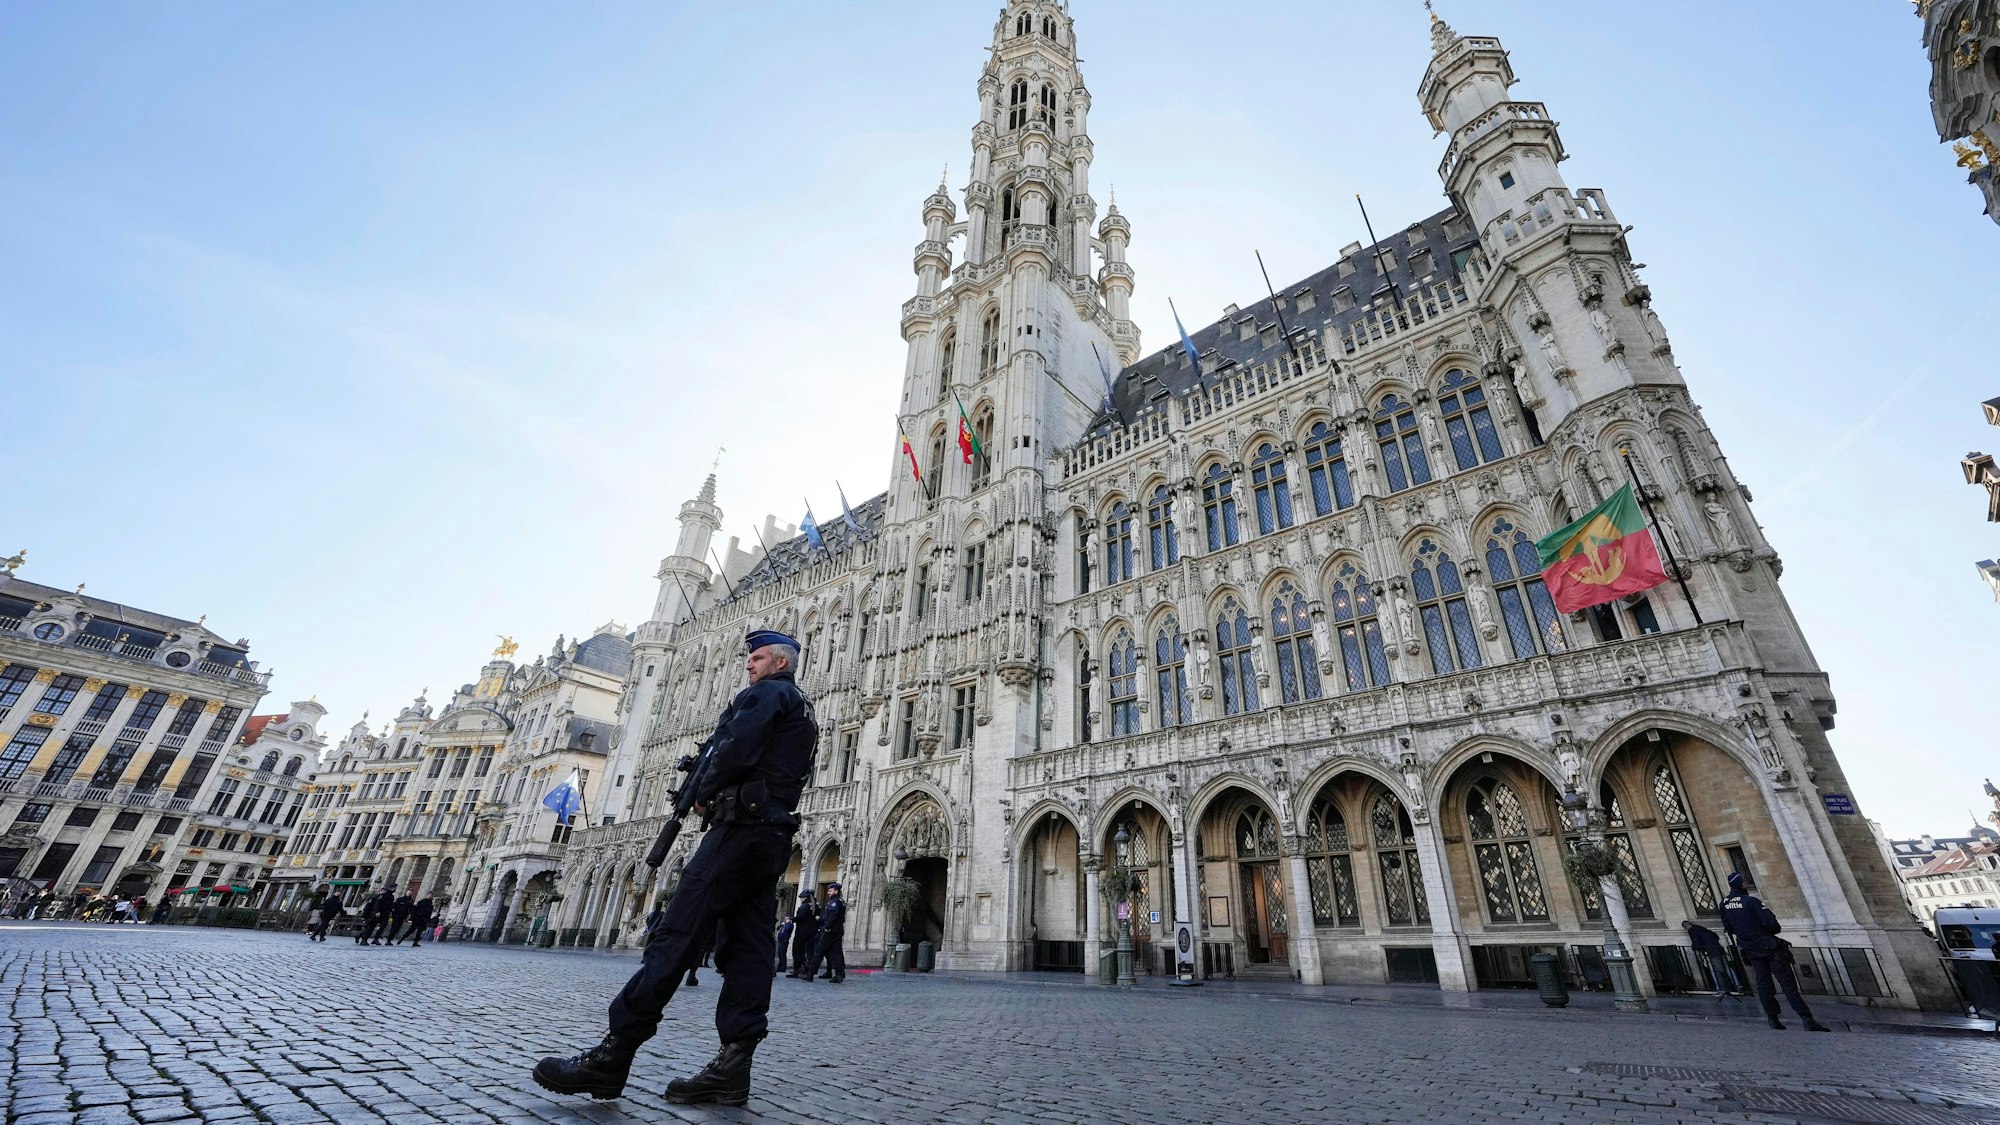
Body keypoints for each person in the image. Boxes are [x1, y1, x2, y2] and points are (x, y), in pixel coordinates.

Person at [533, 628, 817, 1107]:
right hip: (771, 836)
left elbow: (733, 749)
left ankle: (613, 1053)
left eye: (759, 657)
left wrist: (702, 793)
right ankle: (732, 1066)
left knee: (677, 934)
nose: (750, 663)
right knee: (748, 948)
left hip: (737, 833)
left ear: (781, 664)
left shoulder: (767, 695)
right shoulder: (802, 708)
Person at [1718, 871, 1829, 1031]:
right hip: (1768, 947)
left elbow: (1728, 927)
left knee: (1763, 985)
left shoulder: (1724, 904)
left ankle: (1772, 1017)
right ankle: (1806, 1018)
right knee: (1788, 984)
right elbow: (1772, 924)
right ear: (1741, 883)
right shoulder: (1750, 901)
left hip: (1750, 948)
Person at [800, 883, 846, 984]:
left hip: (830, 932)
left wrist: (827, 927)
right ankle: (839, 974)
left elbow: (833, 916)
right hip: (837, 931)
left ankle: (810, 973)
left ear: (836, 891)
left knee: (818, 952)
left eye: (830, 891)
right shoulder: (841, 901)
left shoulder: (834, 902)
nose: (829, 893)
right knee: (836, 953)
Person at [1683, 918, 1740, 994]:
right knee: (1726, 968)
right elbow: (1716, 936)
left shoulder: (1692, 930)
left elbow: (1696, 941)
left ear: (1686, 927)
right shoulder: (1702, 928)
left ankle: (1721, 989)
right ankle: (1738, 984)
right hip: (1718, 949)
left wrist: (1698, 950)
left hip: (1711, 952)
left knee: (1716, 970)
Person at [784, 889, 817, 979]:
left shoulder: (805, 906)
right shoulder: (814, 905)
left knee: (797, 951)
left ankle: (797, 970)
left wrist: (791, 920)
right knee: (807, 951)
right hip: (810, 931)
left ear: (804, 898)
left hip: (802, 931)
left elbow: (800, 917)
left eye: (801, 898)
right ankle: (806, 969)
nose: (801, 899)